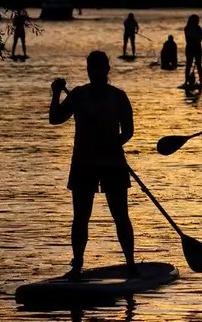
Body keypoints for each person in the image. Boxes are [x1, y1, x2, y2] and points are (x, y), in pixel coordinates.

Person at [49, 51, 137, 279]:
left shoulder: (119, 97)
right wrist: (56, 93)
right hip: (84, 162)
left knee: (121, 215)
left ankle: (131, 263)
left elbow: (128, 131)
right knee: (80, 216)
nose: (94, 72)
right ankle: (77, 265)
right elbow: (55, 118)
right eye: (91, 68)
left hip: (112, 161)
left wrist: (112, 144)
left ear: (107, 70)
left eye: (98, 68)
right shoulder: (78, 95)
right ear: (88, 70)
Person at [183, 14, 202, 86]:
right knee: (189, 65)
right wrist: (200, 33)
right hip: (191, 47)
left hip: (196, 47)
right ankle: (186, 81)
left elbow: (201, 37)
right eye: (197, 20)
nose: (198, 21)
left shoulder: (197, 28)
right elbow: (193, 38)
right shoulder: (187, 28)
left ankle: (201, 81)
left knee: (198, 65)